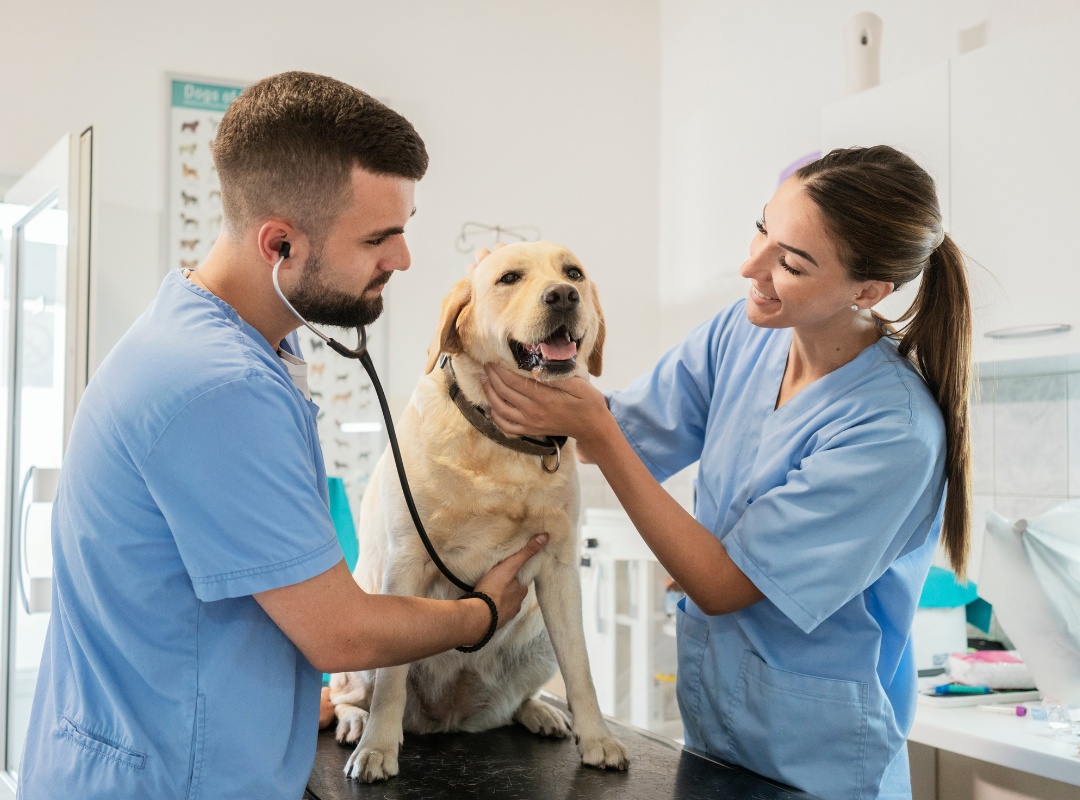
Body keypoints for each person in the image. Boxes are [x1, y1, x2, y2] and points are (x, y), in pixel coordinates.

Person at [18, 71, 548, 800]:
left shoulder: (228, 341)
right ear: (280, 246)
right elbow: (343, 634)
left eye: (405, 226)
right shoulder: (218, 386)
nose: (403, 259)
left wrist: (289, 702)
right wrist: (479, 614)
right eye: (379, 237)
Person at [482, 145, 972, 800]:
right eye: (764, 228)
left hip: (818, 767)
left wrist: (590, 425)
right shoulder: (745, 335)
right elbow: (617, 433)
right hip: (717, 737)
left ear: (869, 291)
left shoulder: (892, 432)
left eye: (790, 263)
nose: (751, 266)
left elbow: (720, 583)